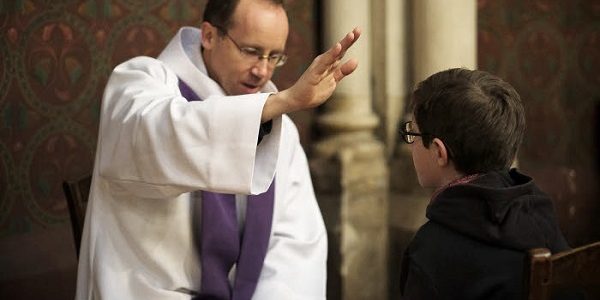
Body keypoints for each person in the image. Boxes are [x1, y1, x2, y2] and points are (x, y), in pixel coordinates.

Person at [75, 0, 361, 299]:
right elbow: (156, 136)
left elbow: (295, 243)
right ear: (209, 36)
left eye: (275, 56)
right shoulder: (139, 82)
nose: (262, 71)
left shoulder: (279, 130)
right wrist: (281, 102)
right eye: (251, 51)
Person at [398, 68, 570, 300]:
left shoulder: (430, 251)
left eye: (413, 134)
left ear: (439, 152)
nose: (410, 143)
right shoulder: (540, 215)